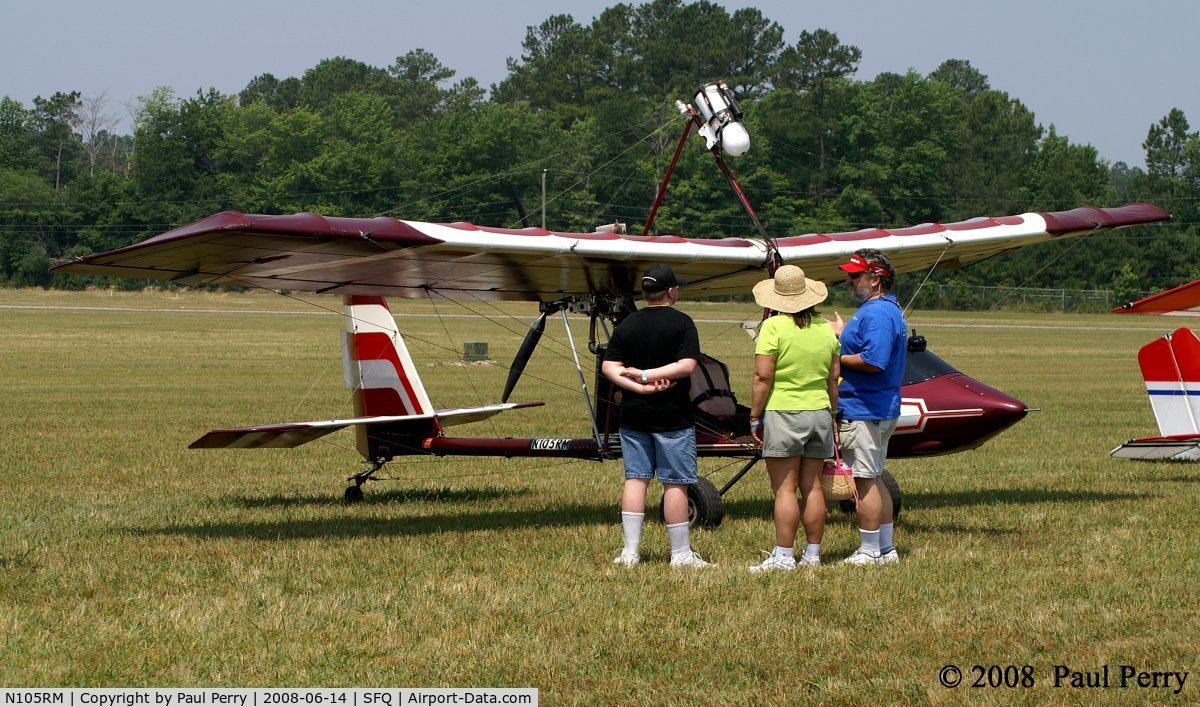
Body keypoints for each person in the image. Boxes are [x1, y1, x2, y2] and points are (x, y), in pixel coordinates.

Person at [602, 264, 712, 568]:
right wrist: (648, 378)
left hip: (634, 416)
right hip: (673, 416)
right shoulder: (683, 323)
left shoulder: (627, 324)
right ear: (672, 291)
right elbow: (687, 365)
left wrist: (637, 385)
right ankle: (680, 555)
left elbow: (609, 368)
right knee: (675, 483)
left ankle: (630, 553)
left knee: (636, 479)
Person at [748, 265, 841, 571]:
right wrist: (833, 415)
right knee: (812, 487)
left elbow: (763, 376)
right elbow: (833, 378)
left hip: (784, 412)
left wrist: (754, 416)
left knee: (785, 490)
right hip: (819, 413)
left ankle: (784, 556)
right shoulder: (826, 330)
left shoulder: (773, 328)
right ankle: (813, 554)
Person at [832, 249, 907, 565]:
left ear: (876, 279)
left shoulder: (876, 313)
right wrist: (841, 334)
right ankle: (886, 549)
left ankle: (868, 550)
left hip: (865, 408)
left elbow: (873, 361)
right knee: (874, 477)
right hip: (877, 405)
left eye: (855, 276)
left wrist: (834, 357)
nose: (849, 282)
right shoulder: (883, 309)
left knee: (863, 481)